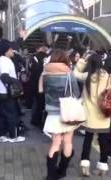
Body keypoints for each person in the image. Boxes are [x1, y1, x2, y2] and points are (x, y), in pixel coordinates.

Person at [74, 54, 111, 176]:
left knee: (87, 139)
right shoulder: (109, 77)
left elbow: (75, 73)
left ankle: (84, 165)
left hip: (89, 114)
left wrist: (83, 59)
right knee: (103, 140)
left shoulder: (87, 76)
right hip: (104, 114)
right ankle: (103, 166)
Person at [38, 49, 80, 180]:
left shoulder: (46, 73)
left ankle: (51, 176)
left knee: (55, 143)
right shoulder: (69, 74)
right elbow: (76, 94)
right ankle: (62, 171)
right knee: (68, 141)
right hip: (68, 112)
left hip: (52, 112)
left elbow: (41, 91)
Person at [0, 39, 25, 143]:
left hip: (1, 91)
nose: (13, 51)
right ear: (6, 50)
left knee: (2, 115)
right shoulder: (5, 60)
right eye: (11, 49)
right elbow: (5, 76)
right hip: (7, 92)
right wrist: (17, 81)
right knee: (12, 114)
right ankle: (13, 136)